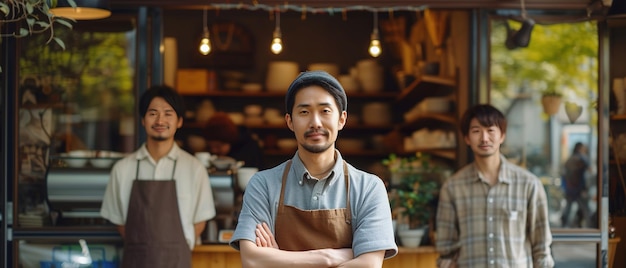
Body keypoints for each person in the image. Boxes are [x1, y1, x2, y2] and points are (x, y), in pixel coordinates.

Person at [229, 71, 398, 267]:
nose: (315, 122)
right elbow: (252, 260)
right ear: (289, 121)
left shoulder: (368, 187)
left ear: (342, 119)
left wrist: (279, 259)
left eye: (325, 111)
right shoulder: (263, 185)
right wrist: (330, 257)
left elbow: (368, 265)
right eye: (304, 112)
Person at [100, 85, 216, 268]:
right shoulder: (122, 169)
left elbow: (199, 221)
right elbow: (120, 223)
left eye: (168, 113)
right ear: (143, 120)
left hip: (178, 261)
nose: (160, 120)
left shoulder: (194, 169)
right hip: (136, 261)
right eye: (153, 113)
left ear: (179, 121)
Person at [436, 104, 554, 267]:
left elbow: (541, 249)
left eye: (491, 130)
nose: (484, 138)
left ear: (502, 136)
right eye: (476, 131)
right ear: (467, 138)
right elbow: (446, 251)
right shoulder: (452, 187)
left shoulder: (529, 184)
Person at [561, 142, 592, 228]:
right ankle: (591, 227)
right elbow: (590, 169)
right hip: (579, 189)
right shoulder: (582, 158)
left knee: (568, 208)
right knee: (586, 210)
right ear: (580, 149)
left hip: (570, 188)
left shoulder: (569, 159)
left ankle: (564, 226)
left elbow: (564, 174)